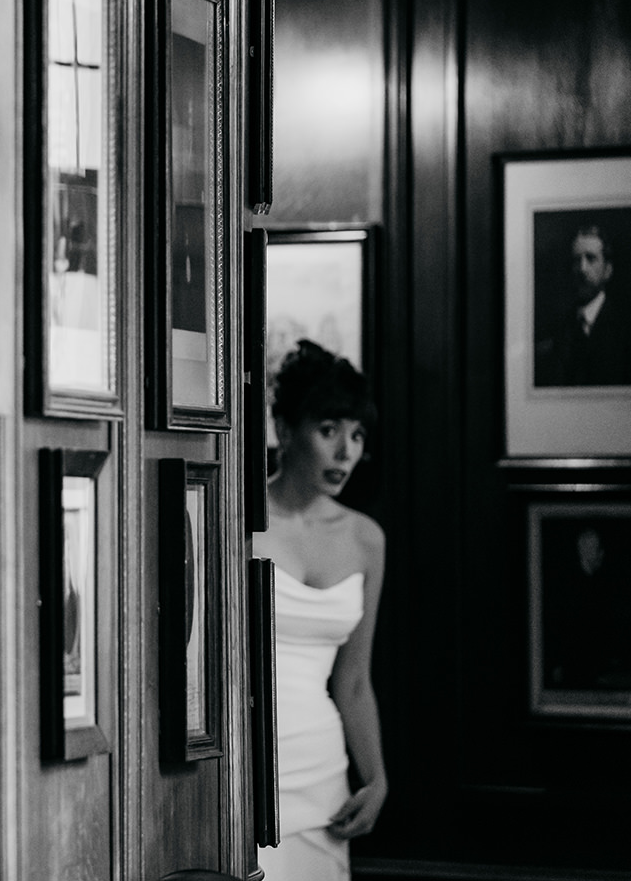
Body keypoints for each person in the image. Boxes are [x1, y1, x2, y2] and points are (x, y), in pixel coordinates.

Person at [254, 340, 387, 881]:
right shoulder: (238, 521)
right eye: (329, 430)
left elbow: (354, 681)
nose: (345, 452)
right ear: (284, 429)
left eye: (356, 435)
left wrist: (376, 779)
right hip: (248, 766)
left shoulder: (365, 539)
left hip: (324, 777)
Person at [535, 223, 631, 387]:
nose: (582, 269)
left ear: (608, 270)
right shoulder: (556, 333)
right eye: (577, 260)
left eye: (591, 258)